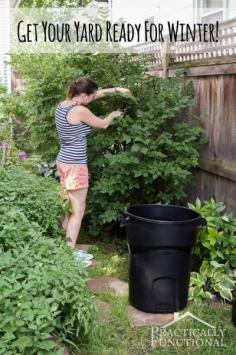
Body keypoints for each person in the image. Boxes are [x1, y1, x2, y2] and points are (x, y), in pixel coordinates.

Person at [55, 77, 131, 256]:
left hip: (64, 161)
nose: (94, 98)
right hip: (75, 165)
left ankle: (61, 244)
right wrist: (113, 115)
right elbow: (103, 125)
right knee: (78, 210)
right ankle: (68, 253)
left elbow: (95, 95)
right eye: (91, 95)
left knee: (68, 205)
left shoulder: (63, 105)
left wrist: (116, 89)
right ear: (82, 95)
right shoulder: (80, 110)